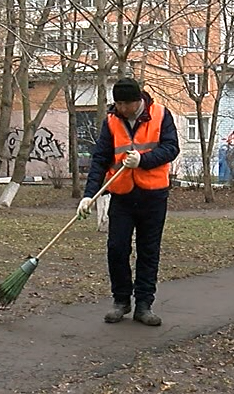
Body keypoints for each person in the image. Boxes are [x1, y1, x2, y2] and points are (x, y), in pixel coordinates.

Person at [76, 77, 180, 326]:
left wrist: (143, 160)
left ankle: (144, 305)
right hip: (122, 196)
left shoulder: (161, 115)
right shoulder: (111, 121)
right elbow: (100, 158)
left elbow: (171, 148)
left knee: (148, 251)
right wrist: (89, 195)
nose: (122, 109)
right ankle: (121, 300)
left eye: (126, 104)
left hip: (153, 196)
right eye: (118, 103)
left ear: (138, 100)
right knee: (117, 248)